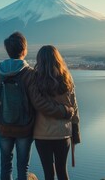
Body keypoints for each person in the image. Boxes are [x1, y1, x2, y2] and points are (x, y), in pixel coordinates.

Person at [0, 32, 73, 180]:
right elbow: (39, 103)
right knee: (23, 167)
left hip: (4, 128)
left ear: (8, 50)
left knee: (5, 165)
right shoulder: (29, 73)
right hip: (24, 129)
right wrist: (64, 111)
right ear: (24, 50)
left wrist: (2, 117)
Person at [33, 45, 81, 180]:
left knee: (48, 173)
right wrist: (76, 133)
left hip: (42, 135)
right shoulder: (67, 78)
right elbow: (74, 107)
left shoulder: (35, 80)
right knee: (62, 170)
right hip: (63, 134)